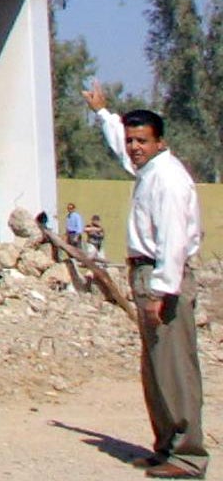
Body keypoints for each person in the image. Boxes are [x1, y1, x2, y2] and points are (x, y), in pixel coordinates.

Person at [86, 82, 206, 478]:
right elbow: (123, 153)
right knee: (155, 368)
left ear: (161, 142)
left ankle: (188, 454)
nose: (134, 146)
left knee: (174, 367)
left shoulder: (168, 179)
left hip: (160, 275)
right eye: (132, 139)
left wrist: (162, 289)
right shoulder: (149, 170)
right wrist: (104, 114)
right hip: (146, 273)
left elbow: (173, 240)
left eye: (142, 140)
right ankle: (166, 446)